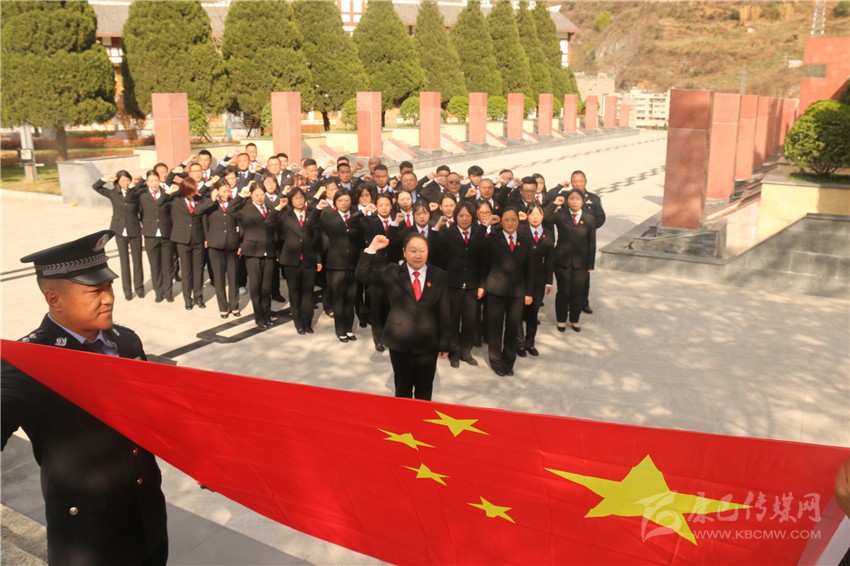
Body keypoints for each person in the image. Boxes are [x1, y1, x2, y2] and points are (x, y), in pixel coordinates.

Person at [1, 230, 168, 564]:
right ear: (54, 299)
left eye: (108, 287)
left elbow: (151, 413)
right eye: (95, 290)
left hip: (148, 522)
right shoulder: (29, 363)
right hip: (90, 542)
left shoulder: (126, 342)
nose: (108, 299)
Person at [356, 233, 451, 401]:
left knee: (424, 392)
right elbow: (362, 274)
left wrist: (444, 343)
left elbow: (444, 311)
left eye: (422, 250)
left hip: (428, 343)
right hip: (399, 341)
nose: (418, 255)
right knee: (402, 391)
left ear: (428, 252)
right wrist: (372, 248)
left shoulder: (439, 276)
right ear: (404, 252)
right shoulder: (393, 272)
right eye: (413, 250)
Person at [478, 208, 534, 376]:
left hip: (517, 291)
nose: (510, 223)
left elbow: (531, 268)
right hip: (496, 289)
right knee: (495, 328)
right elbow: (483, 262)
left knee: (512, 327)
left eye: (513, 220)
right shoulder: (493, 239)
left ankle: (508, 362)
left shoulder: (525, 239)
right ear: (501, 221)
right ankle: (495, 361)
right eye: (506, 220)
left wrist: (529, 292)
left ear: (519, 221)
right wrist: (482, 285)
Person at [266, 187, 327, 334]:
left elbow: (316, 239)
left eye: (301, 197)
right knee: (294, 293)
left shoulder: (312, 215)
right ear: (291, 201)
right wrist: (279, 207)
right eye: (295, 198)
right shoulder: (285, 216)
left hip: (309, 259)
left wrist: (318, 259)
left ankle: (307, 322)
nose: (299, 200)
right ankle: (298, 323)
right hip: (291, 260)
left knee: (308, 293)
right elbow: (268, 222)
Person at [437, 201, 483, 368]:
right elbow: (441, 260)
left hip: (472, 285)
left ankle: (466, 351)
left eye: (468, 216)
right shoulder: (447, 234)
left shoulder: (479, 233)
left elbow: (484, 262)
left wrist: (482, 285)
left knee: (470, 320)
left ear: (473, 217)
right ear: (456, 217)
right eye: (461, 215)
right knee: (453, 319)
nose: (464, 219)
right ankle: (454, 352)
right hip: (452, 284)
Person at [544, 188, 597, 332]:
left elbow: (592, 242)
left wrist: (590, 264)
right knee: (563, 291)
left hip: (582, 262)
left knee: (577, 292)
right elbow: (545, 218)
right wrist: (554, 204)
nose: (574, 201)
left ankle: (575, 320)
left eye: (577, 199)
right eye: (571, 199)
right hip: (562, 261)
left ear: (582, 201)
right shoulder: (561, 215)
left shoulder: (589, 218)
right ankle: (561, 320)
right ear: (567, 201)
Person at [320, 189, 367, 342]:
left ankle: (349, 329)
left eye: (347, 200)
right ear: (335, 202)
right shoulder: (329, 217)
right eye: (340, 201)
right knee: (339, 299)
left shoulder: (356, 218)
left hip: (353, 263)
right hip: (336, 264)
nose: (344, 203)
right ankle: (340, 330)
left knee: (351, 298)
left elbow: (361, 240)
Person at [91, 171, 145, 301]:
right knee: (124, 262)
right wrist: (104, 179)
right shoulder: (113, 193)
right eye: (122, 181)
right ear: (118, 182)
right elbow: (96, 187)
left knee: (137, 261)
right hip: (119, 231)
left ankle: (139, 288)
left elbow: (142, 209)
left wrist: (139, 181)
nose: (125, 183)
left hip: (134, 230)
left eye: (127, 180)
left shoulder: (136, 192)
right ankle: (127, 291)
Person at [231, 182, 277, 328]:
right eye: (256, 194)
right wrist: (240, 196)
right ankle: (259, 316)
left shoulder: (270, 208)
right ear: (251, 195)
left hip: (269, 250)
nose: (259, 197)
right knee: (256, 285)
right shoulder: (246, 210)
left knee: (267, 286)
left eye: (262, 194)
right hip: (252, 251)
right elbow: (230, 210)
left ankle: (267, 314)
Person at [159, 176, 206, 310]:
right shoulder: (175, 199)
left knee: (198, 270)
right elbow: (159, 204)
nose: (193, 193)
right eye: (191, 191)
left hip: (198, 238)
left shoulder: (198, 199)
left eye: (194, 190)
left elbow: (208, 204)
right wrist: (168, 192)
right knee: (186, 271)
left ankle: (198, 297)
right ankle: (188, 299)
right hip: (182, 239)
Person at [198, 186, 242, 318]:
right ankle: (223, 307)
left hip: (232, 244)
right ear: (216, 191)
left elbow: (241, 223)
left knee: (234, 277)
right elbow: (198, 213)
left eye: (228, 191)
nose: (226, 193)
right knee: (219, 278)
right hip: (215, 245)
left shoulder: (235, 203)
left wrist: (240, 243)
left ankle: (234, 305)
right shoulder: (210, 204)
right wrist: (212, 200)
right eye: (224, 191)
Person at [517, 203, 554, 357]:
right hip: (521, 277)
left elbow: (550, 259)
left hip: (538, 279)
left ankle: (530, 342)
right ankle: (519, 344)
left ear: (543, 216)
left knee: (533, 313)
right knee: (519, 313)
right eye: (532, 214)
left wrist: (549, 281)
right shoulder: (520, 230)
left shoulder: (548, 233)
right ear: (527, 216)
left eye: (538, 214)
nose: (535, 217)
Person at [138, 170, 174, 303]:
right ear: (147, 182)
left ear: (160, 181)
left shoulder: (167, 194)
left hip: (166, 233)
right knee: (155, 266)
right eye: (151, 181)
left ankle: (168, 292)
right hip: (150, 234)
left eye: (156, 180)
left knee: (167, 265)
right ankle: (159, 293)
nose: (154, 184)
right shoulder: (142, 195)